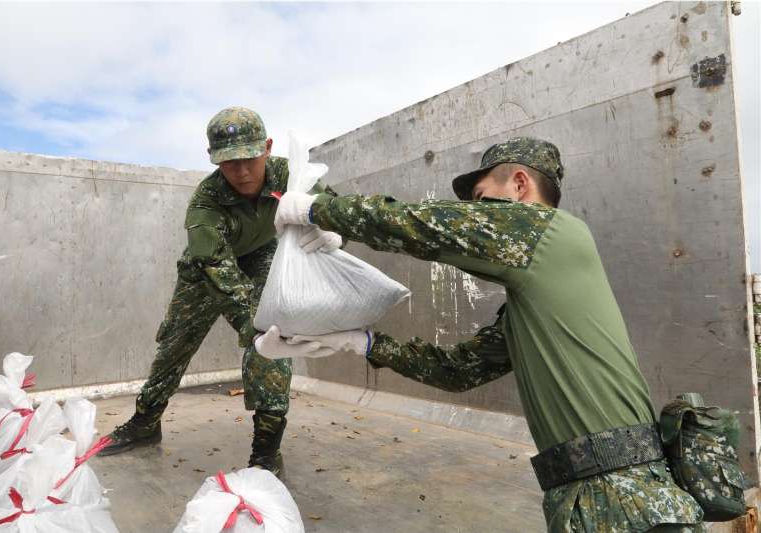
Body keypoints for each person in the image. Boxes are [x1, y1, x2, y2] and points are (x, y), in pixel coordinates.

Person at [261, 137, 704, 531]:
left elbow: (429, 224)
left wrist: (318, 209)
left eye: (480, 200)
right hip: (597, 495)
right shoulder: (534, 298)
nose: (474, 214)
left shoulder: (552, 233)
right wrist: (364, 343)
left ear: (518, 184)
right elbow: (459, 371)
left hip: (627, 500)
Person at [98, 107, 341, 478]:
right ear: (213, 160)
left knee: (271, 338)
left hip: (260, 257)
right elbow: (213, 262)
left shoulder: (291, 175)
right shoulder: (205, 200)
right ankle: (145, 421)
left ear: (267, 148)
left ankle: (266, 454)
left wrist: (331, 227)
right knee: (175, 344)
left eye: (249, 158)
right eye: (229, 163)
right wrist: (250, 318)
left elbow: (333, 205)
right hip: (207, 269)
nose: (242, 172)